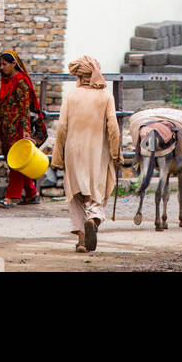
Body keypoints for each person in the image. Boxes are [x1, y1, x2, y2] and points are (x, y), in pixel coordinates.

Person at [51, 54, 121, 252]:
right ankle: (93, 218)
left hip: (73, 152)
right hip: (98, 152)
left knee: (75, 195)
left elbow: (62, 127)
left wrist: (58, 156)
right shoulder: (106, 96)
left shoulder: (71, 96)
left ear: (79, 77)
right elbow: (113, 127)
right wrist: (116, 153)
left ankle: (82, 240)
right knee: (97, 191)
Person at [0, 48, 47, 208]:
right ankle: (31, 193)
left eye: (5, 64)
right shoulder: (6, 82)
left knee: (16, 162)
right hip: (7, 129)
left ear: (13, 64)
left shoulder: (21, 82)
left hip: (19, 128)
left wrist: (25, 131)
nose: (2, 68)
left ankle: (12, 196)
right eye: (0, 64)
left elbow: (24, 107)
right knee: (17, 161)